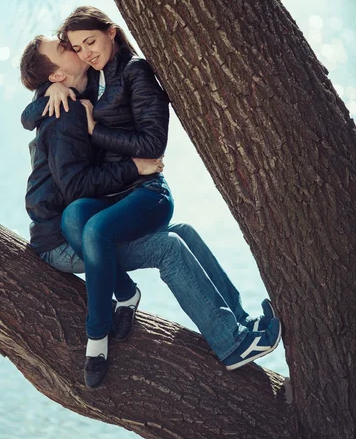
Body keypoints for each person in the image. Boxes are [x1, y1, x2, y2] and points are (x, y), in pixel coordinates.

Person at [20, 25, 281, 388]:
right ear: (58, 73)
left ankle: (240, 320)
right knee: (167, 247)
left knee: (181, 233)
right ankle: (232, 344)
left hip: (72, 223)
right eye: (65, 47)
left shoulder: (74, 92)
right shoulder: (64, 113)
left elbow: (36, 111)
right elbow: (76, 184)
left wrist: (50, 89)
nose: (75, 48)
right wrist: (134, 167)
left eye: (78, 42)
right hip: (60, 242)